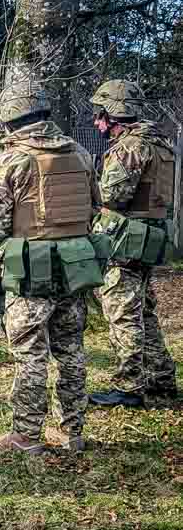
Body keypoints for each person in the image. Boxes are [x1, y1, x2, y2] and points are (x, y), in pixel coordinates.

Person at [0, 80, 103, 453]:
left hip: (31, 270)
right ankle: (72, 432)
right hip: (75, 267)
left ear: (10, 120)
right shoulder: (80, 153)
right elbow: (96, 209)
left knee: (31, 352)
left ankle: (26, 436)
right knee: (70, 350)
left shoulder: (12, 160)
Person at [88, 80, 178, 408]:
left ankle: (129, 387)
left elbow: (112, 195)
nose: (97, 123)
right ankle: (162, 378)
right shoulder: (161, 144)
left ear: (115, 114)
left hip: (125, 239)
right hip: (150, 235)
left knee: (121, 311)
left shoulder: (130, 147)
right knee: (145, 311)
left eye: (101, 115)